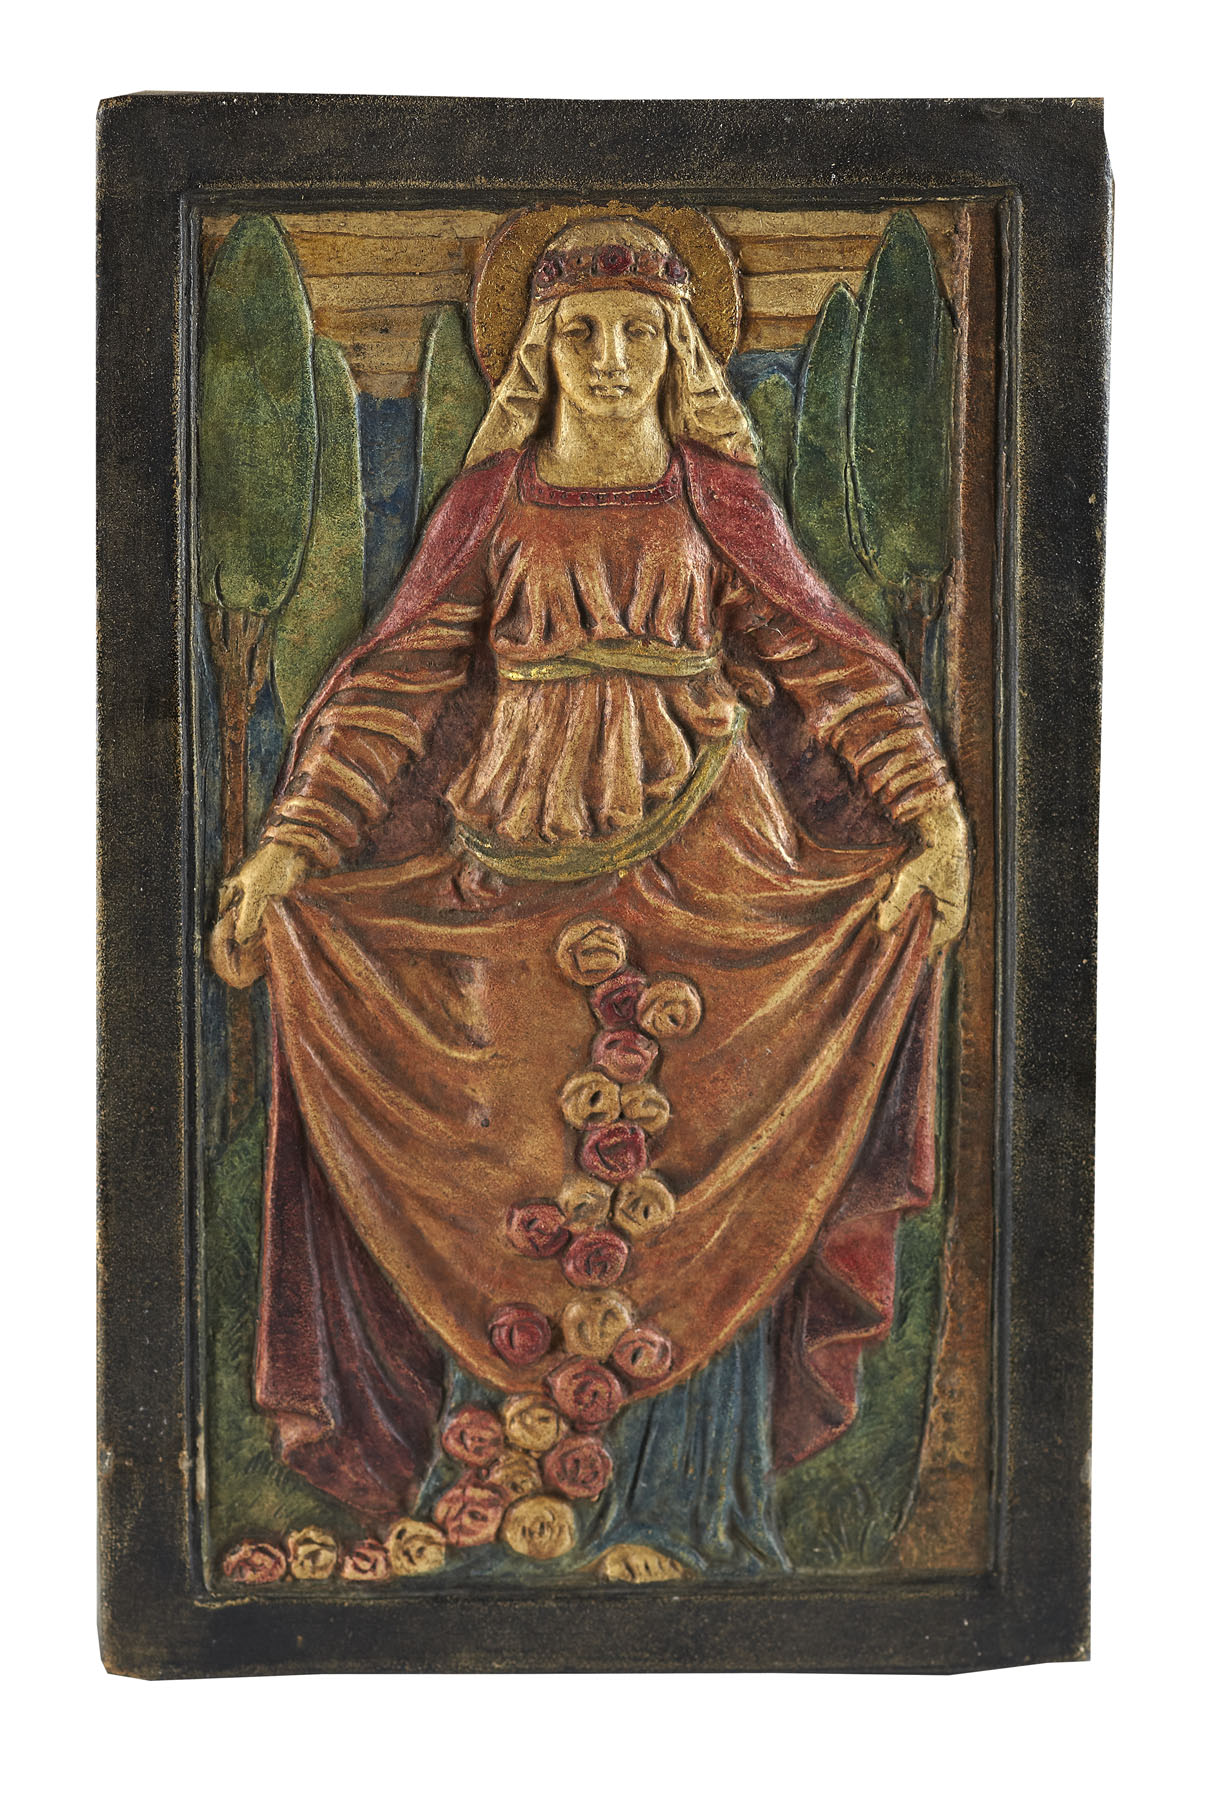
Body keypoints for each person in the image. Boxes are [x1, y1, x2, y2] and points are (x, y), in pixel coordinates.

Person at [211, 212, 971, 1582]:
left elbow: (832, 661)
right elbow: (391, 687)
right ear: (538, 354)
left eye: (637, 333)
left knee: (704, 1171)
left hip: (719, 865)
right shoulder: (491, 504)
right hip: (509, 865)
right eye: (579, 333)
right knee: (505, 1157)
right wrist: (292, 847)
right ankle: (498, 1504)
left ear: (679, 349)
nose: (611, 359)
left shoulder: (717, 501)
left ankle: (682, 1511)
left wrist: (933, 814)